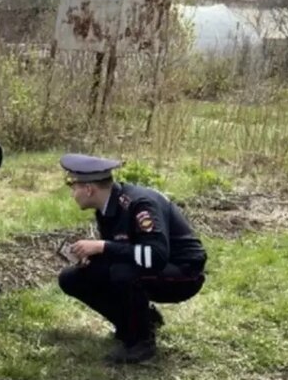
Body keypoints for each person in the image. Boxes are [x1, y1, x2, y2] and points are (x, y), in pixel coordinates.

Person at [57, 154, 207, 364]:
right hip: (152, 267)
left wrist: (103, 247)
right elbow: (122, 249)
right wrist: (95, 257)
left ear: (89, 189)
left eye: (73, 187)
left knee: (123, 273)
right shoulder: (107, 207)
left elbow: (154, 256)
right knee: (72, 278)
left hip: (183, 273)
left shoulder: (140, 205)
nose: (72, 193)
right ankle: (137, 323)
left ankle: (142, 343)